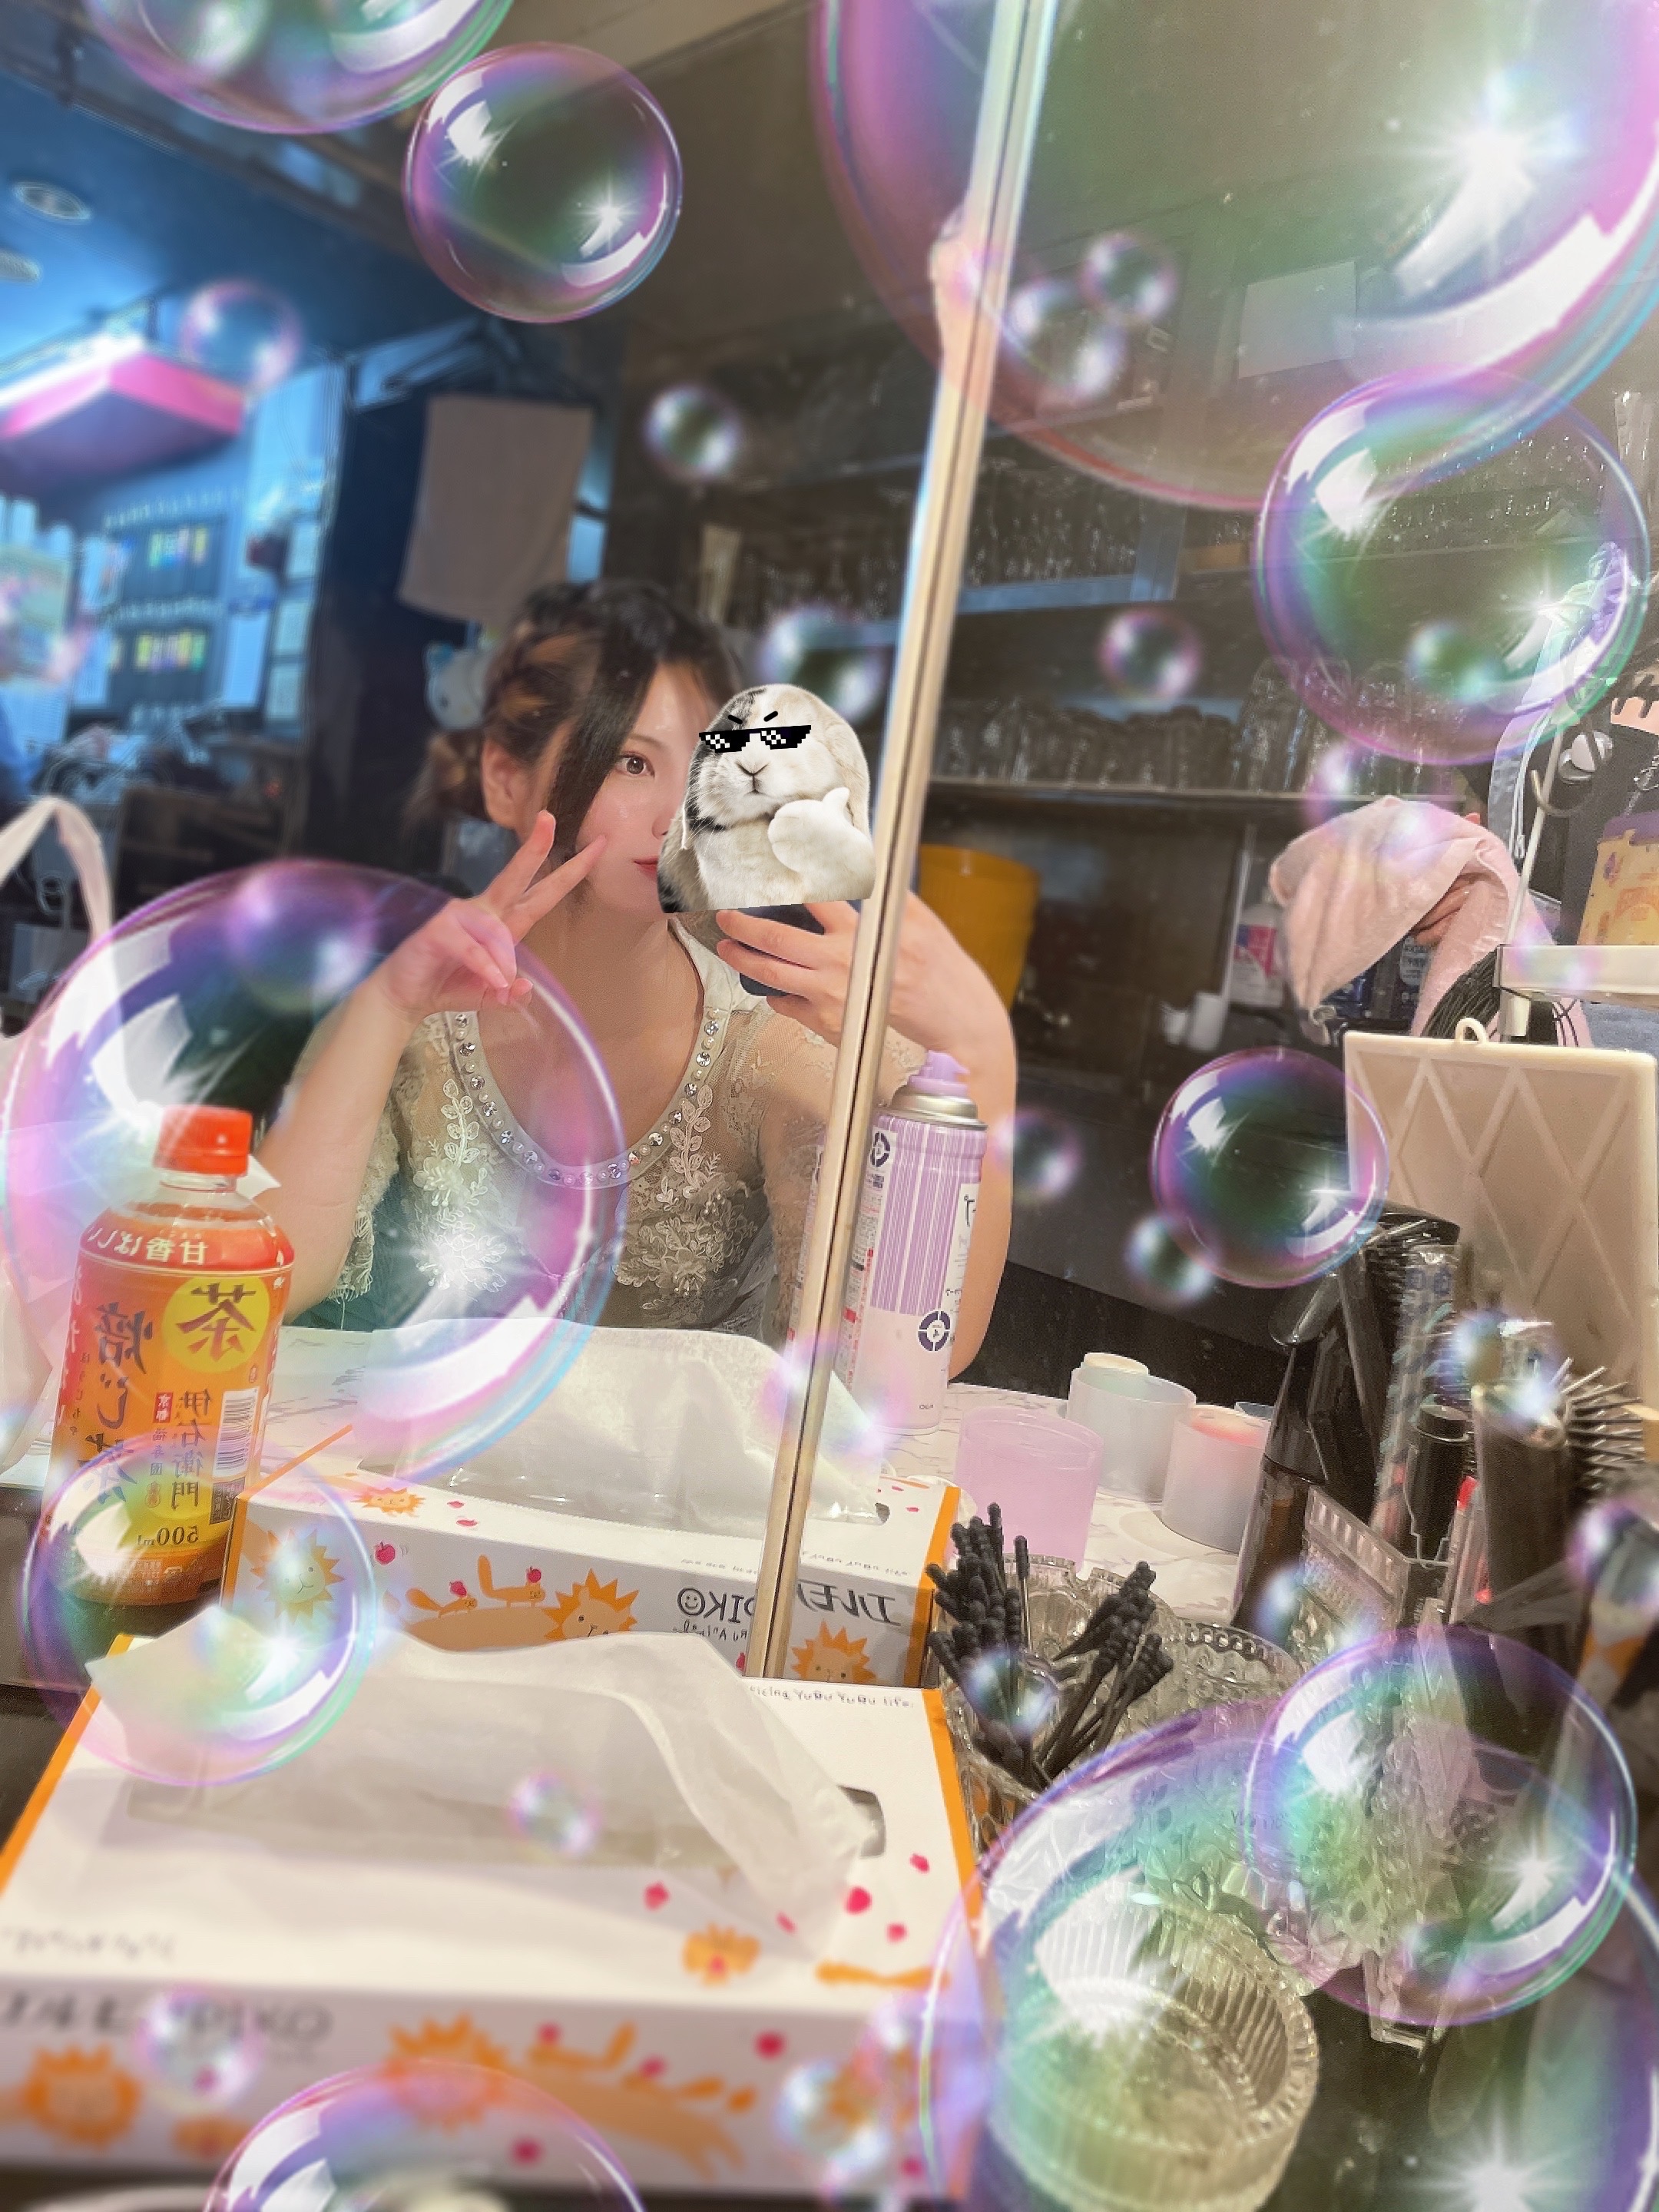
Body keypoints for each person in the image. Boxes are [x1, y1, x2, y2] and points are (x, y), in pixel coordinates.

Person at [260, 580, 1016, 1366]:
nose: (677, 818)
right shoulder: (407, 1016)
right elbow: (266, 1282)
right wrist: (386, 1009)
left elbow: (894, 1361)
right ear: (505, 778)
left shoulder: (772, 1054)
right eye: (632, 762)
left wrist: (983, 1056)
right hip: (422, 1440)